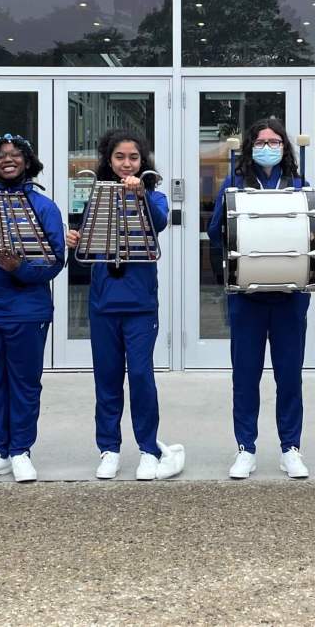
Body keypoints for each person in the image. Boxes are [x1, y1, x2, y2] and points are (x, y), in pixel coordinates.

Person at [65, 129, 184, 481]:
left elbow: (160, 223)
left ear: (142, 161)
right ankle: (109, 449)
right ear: (109, 160)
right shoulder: (96, 196)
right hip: (103, 303)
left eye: (133, 157)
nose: (127, 164)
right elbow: (88, 240)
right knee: (107, 379)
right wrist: (74, 238)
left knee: (143, 377)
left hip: (140, 304)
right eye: (120, 157)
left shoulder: (155, 195)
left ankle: (148, 449)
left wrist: (142, 195)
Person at [0, 133, 66, 483]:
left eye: (16, 154)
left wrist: (19, 268)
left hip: (26, 310)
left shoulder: (44, 207)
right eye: (1, 154)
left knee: (24, 382)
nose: (8, 159)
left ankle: (20, 451)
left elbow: (56, 262)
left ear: (27, 161)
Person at [208, 117, 311, 480]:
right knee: (246, 375)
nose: (267, 146)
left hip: (289, 296)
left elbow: (314, 235)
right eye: (261, 141)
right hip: (247, 296)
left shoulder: (299, 185)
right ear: (251, 146)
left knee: (289, 376)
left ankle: (290, 448)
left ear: (285, 147)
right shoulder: (235, 183)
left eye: (274, 141)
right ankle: (245, 448)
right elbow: (215, 232)